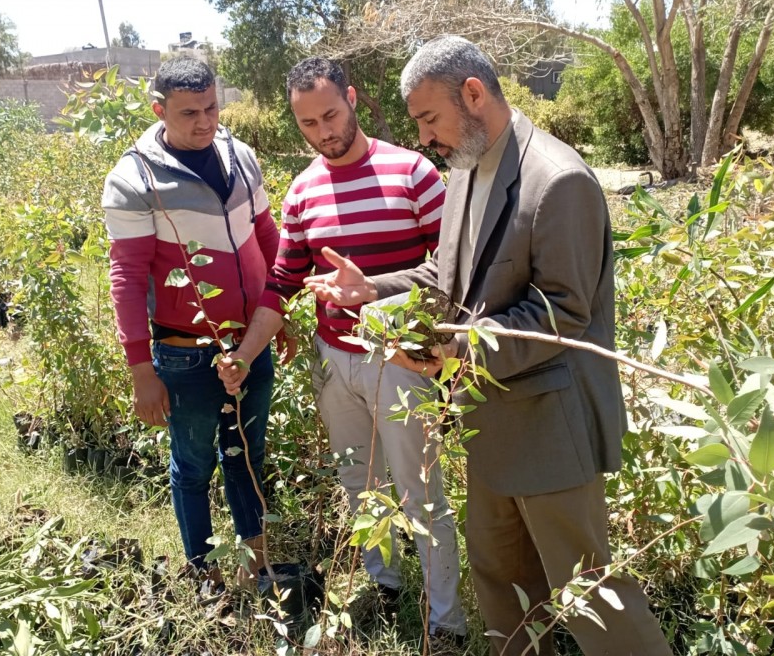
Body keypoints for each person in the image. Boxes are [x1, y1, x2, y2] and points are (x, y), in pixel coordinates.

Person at [303, 37, 673, 656]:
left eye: (429, 118)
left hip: (550, 430)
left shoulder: (558, 180)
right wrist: (372, 288)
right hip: (490, 424)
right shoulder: (470, 167)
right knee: (502, 586)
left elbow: (560, 312)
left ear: (473, 94)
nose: (424, 137)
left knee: (593, 604)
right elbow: (448, 278)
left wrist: (455, 355)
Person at [217, 57, 468, 646]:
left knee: (421, 491)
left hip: (402, 360)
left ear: (352, 99)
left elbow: (454, 271)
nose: (324, 131)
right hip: (335, 359)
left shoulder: (412, 173)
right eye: (308, 123)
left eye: (330, 114)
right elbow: (280, 283)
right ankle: (386, 587)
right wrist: (247, 353)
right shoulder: (303, 190)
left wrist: (434, 347)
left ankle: (447, 624)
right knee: (360, 484)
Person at [102, 57, 288, 594]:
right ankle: (203, 571)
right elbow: (129, 277)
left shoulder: (240, 156)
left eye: (211, 107)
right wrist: (141, 368)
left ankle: (256, 567)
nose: (205, 122)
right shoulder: (135, 178)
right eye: (189, 113)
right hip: (186, 354)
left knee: (248, 454)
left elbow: (266, 236)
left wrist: (280, 314)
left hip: (251, 341)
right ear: (159, 110)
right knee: (194, 462)